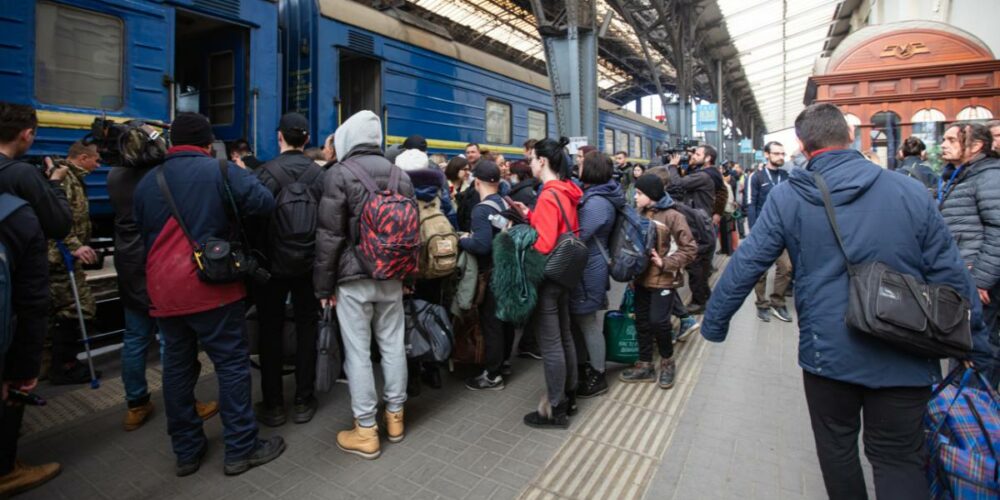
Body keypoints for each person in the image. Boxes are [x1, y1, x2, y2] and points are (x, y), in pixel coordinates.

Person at [702, 103, 994, 499]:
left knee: (838, 451)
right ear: (850, 137)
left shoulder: (790, 197)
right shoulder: (908, 191)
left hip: (829, 355)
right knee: (899, 458)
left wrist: (715, 323)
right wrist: (974, 340)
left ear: (804, 147)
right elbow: (950, 271)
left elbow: (748, 262)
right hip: (907, 349)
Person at [134, 112, 283, 476]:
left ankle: (187, 452)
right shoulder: (220, 171)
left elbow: (141, 229)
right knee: (231, 365)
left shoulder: (147, 182)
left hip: (163, 290)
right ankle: (241, 449)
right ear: (207, 144)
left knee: (177, 369)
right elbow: (264, 204)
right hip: (211, 285)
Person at [314, 110, 415, 459]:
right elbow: (411, 233)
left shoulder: (339, 174)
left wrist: (323, 288)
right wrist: (408, 279)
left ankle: (366, 430)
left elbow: (329, 237)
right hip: (393, 276)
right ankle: (396, 418)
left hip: (353, 279)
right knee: (392, 347)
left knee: (358, 354)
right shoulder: (400, 174)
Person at [108, 156, 219, 431]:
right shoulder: (159, 177)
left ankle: (136, 404)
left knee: (135, 337)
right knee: (173, 343)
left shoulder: (114, 176)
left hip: (128, 262)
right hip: (157, 261)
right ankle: (186, 404)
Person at [0, 101, 66, 496]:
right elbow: (58, 222)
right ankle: (7, 466)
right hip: (21, 292)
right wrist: (54, 182)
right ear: (27, 134)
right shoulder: (23, 174)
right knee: (18, 372)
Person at [252, 112, 325, 427]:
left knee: (270, 329)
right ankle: (303, 399)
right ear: (307, 139)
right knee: (308, 327)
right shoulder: (321, 175)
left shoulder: (264, 174)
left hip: (272, 267)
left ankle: (273, 404)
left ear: (278, 136)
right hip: (310, 265)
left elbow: (254, 222)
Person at [509, 137, 582, 428]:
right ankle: (570, 395)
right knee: (564, 336)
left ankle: (555, 407)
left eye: (532, 159)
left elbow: (545, 242)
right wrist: (530, 215)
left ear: (543, 161)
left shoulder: (549, 194)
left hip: (548, 276)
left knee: (551, 344)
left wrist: (525, 237)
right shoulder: (567, 191)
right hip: (565, 272)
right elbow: (559, 226)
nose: (530, 164)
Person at [938, 121, 1000, 387]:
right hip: (964, 275)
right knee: (962, 345)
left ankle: (973, 414)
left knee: (975, 349)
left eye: (952, 140)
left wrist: (982, 280)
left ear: (975, 146)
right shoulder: (960, 175)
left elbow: (998, 229)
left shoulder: (988, 177)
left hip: (976, 279)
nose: (944, 144)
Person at [620, 174, 696, 388]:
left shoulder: (673, 216)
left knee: (659, 322)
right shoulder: (639, 213)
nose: (635, 197)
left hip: (664, 279)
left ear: (651, 195)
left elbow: (690, 249)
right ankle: (645, 365)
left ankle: (667, 361)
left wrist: (665, 263)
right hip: (641, 278)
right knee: (642, 321)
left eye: (639, 193)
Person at [44, 141, 102, 385]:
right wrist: (74, 246)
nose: (98, 164)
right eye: (95, 159)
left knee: (56, 311)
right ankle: (64, 365)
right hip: (60, 256)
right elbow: (57, 216)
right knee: (80, 308)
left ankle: (50, 363)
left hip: (60, 254)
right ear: (81, 157)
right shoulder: (66, 179)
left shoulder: (73, 178)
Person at [570, 152, 624, 398]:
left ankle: (598, 374)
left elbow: (579, 234)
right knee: (583, 321)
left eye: (581, 164)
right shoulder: (601, 194)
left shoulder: (596, 202)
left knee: (588, 321)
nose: (577, 167)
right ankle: (587, 367)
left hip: (590, 268)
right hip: (590, 265)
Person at [461, 161, 516, 390]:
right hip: (507, 270)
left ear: (477, 182)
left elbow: (482, 245)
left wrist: (463, 239)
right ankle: (503, 363)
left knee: (491, 322)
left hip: (492, 272)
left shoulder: (481, 210)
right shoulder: (503, 202)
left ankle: (492, 376)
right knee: (505, 321)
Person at [666, 146, 717, 314]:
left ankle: (698, 302)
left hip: (698, 226)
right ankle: (704, 297)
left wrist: (673, 166)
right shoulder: (704, 174)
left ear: (708, 158)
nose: (692, 156)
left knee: (695, 265)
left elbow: (677, 183)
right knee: (700, 266)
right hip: (702, 224)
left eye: (697, 154)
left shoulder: (703, 176)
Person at [750, 141, 793, 323]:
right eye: (776, 154)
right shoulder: (757, 177)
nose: (781, 157)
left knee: (787, 268)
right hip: (762, 231)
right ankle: (762, 304)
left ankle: (777, 301)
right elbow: (751, 203)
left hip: (783, 231)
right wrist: (753, 230)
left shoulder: (787, 176)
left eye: (783, 154)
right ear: (767, 154)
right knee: (760, 271)